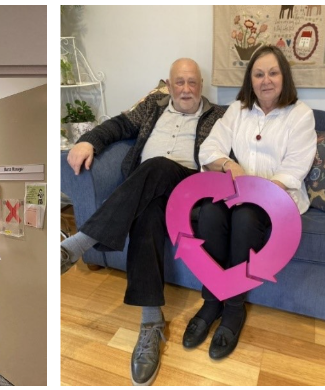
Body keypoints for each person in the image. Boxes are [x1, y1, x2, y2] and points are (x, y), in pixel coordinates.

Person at [60, 59, 226, 385]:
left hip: (189, 185)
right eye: (180, 82)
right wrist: (88, 140)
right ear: (169, 83)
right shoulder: (153, 105)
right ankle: (151, 322)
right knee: (147, 213)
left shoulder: (219, 116)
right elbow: (117, 126)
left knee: (159, 165)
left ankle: (79, 243)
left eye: (192, 82)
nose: (186, 89)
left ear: (201, 83)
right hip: (149, 186)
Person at [190, 45, 316, 359]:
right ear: (251, 80)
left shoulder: (300, 115)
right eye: (258, 74)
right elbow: (209, 149)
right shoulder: (238, 110)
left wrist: (259, 192)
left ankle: (233, 308)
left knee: (246, 216)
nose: (266, 80)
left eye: (273, 72)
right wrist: (227, 165)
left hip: (278, 200)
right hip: (238, 192)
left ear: (284, 76)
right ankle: (211, 301)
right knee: (208, 212)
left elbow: (294, 168)